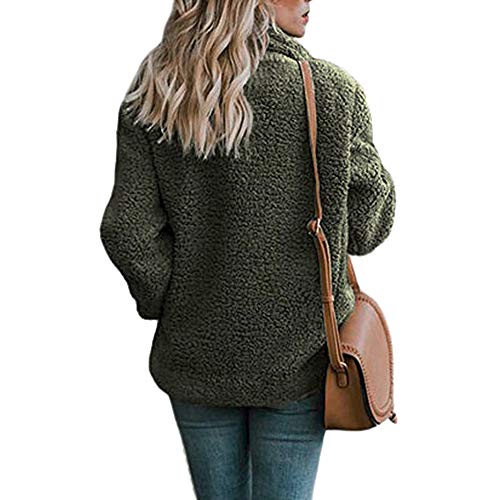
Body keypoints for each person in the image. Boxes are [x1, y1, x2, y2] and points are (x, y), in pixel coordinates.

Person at [99, 0, 396, 498]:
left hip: (195, 355)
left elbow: (129, 231)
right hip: (298, 359)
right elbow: (369, 227)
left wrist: (172, 304)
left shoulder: (159, 92)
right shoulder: (332, 92)